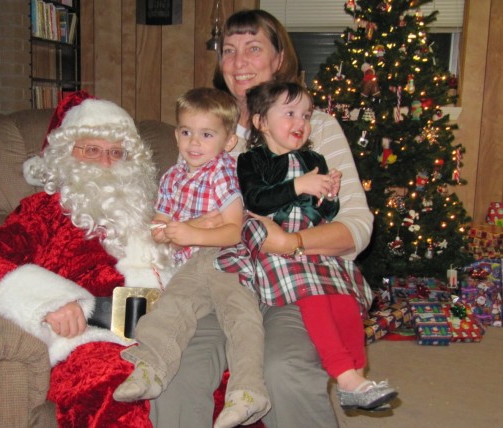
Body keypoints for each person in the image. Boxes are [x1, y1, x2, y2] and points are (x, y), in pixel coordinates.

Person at [148, 9, 377, 428]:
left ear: (278, 59)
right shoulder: (203, 130)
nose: (238, 63)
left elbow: (358, 227)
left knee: (284, 371)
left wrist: (290, 242)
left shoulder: (313, 128)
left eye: (254, 49)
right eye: (228, 51)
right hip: (222, 281)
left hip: (294, 280)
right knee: (176, 371)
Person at [0, 91, 177, 426]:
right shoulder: (43, 212)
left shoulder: (158, 212)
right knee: (118, 390)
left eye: (117, 152)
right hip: (93, 340)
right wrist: (52, 301)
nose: (106, 162)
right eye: (92, 150)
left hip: (171, 330)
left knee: (223, 384)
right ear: (64, 156)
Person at [217, 80, 398, 411]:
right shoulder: (252, 159)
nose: (300, 123)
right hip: (273, 243)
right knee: (314, 298)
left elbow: (327, 213)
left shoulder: (314, 157)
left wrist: (329, 195)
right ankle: (345, 375)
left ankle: (356, 378)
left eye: (305, 115)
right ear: (260, 121)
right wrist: (299, 184)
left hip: (311, 243)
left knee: (346, 299)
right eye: (289, 114)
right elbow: (257, 198)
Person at [113, 87, 271, 428]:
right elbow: (159, 226)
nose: (194, 143)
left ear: (228, 141)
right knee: (170, 309)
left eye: (206, 134)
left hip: (227, 259)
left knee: (241, 319)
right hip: (189, 266)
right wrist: (175, 228)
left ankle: (246, 391)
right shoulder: (172, 176)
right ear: (176, 134)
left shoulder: (224, 172)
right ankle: (151, 368)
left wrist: (190, 233)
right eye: (186, 132)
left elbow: (233, 230)